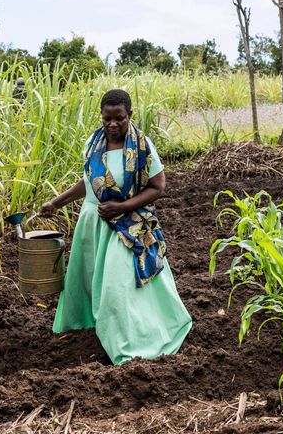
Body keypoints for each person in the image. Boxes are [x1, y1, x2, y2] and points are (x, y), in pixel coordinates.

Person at [38, 88, 191, 363]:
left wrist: (122, 207)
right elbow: (89, 182)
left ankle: (129, 344)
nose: (112, 124)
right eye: (106, 118)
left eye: (119, 118)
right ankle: (88, 331)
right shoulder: (93, 143)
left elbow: (158, 186)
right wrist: (56, 203)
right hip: (93, 224)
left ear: (129, 115)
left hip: (126, 226)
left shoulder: (142, 146)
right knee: (89, 282)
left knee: (116, 288)